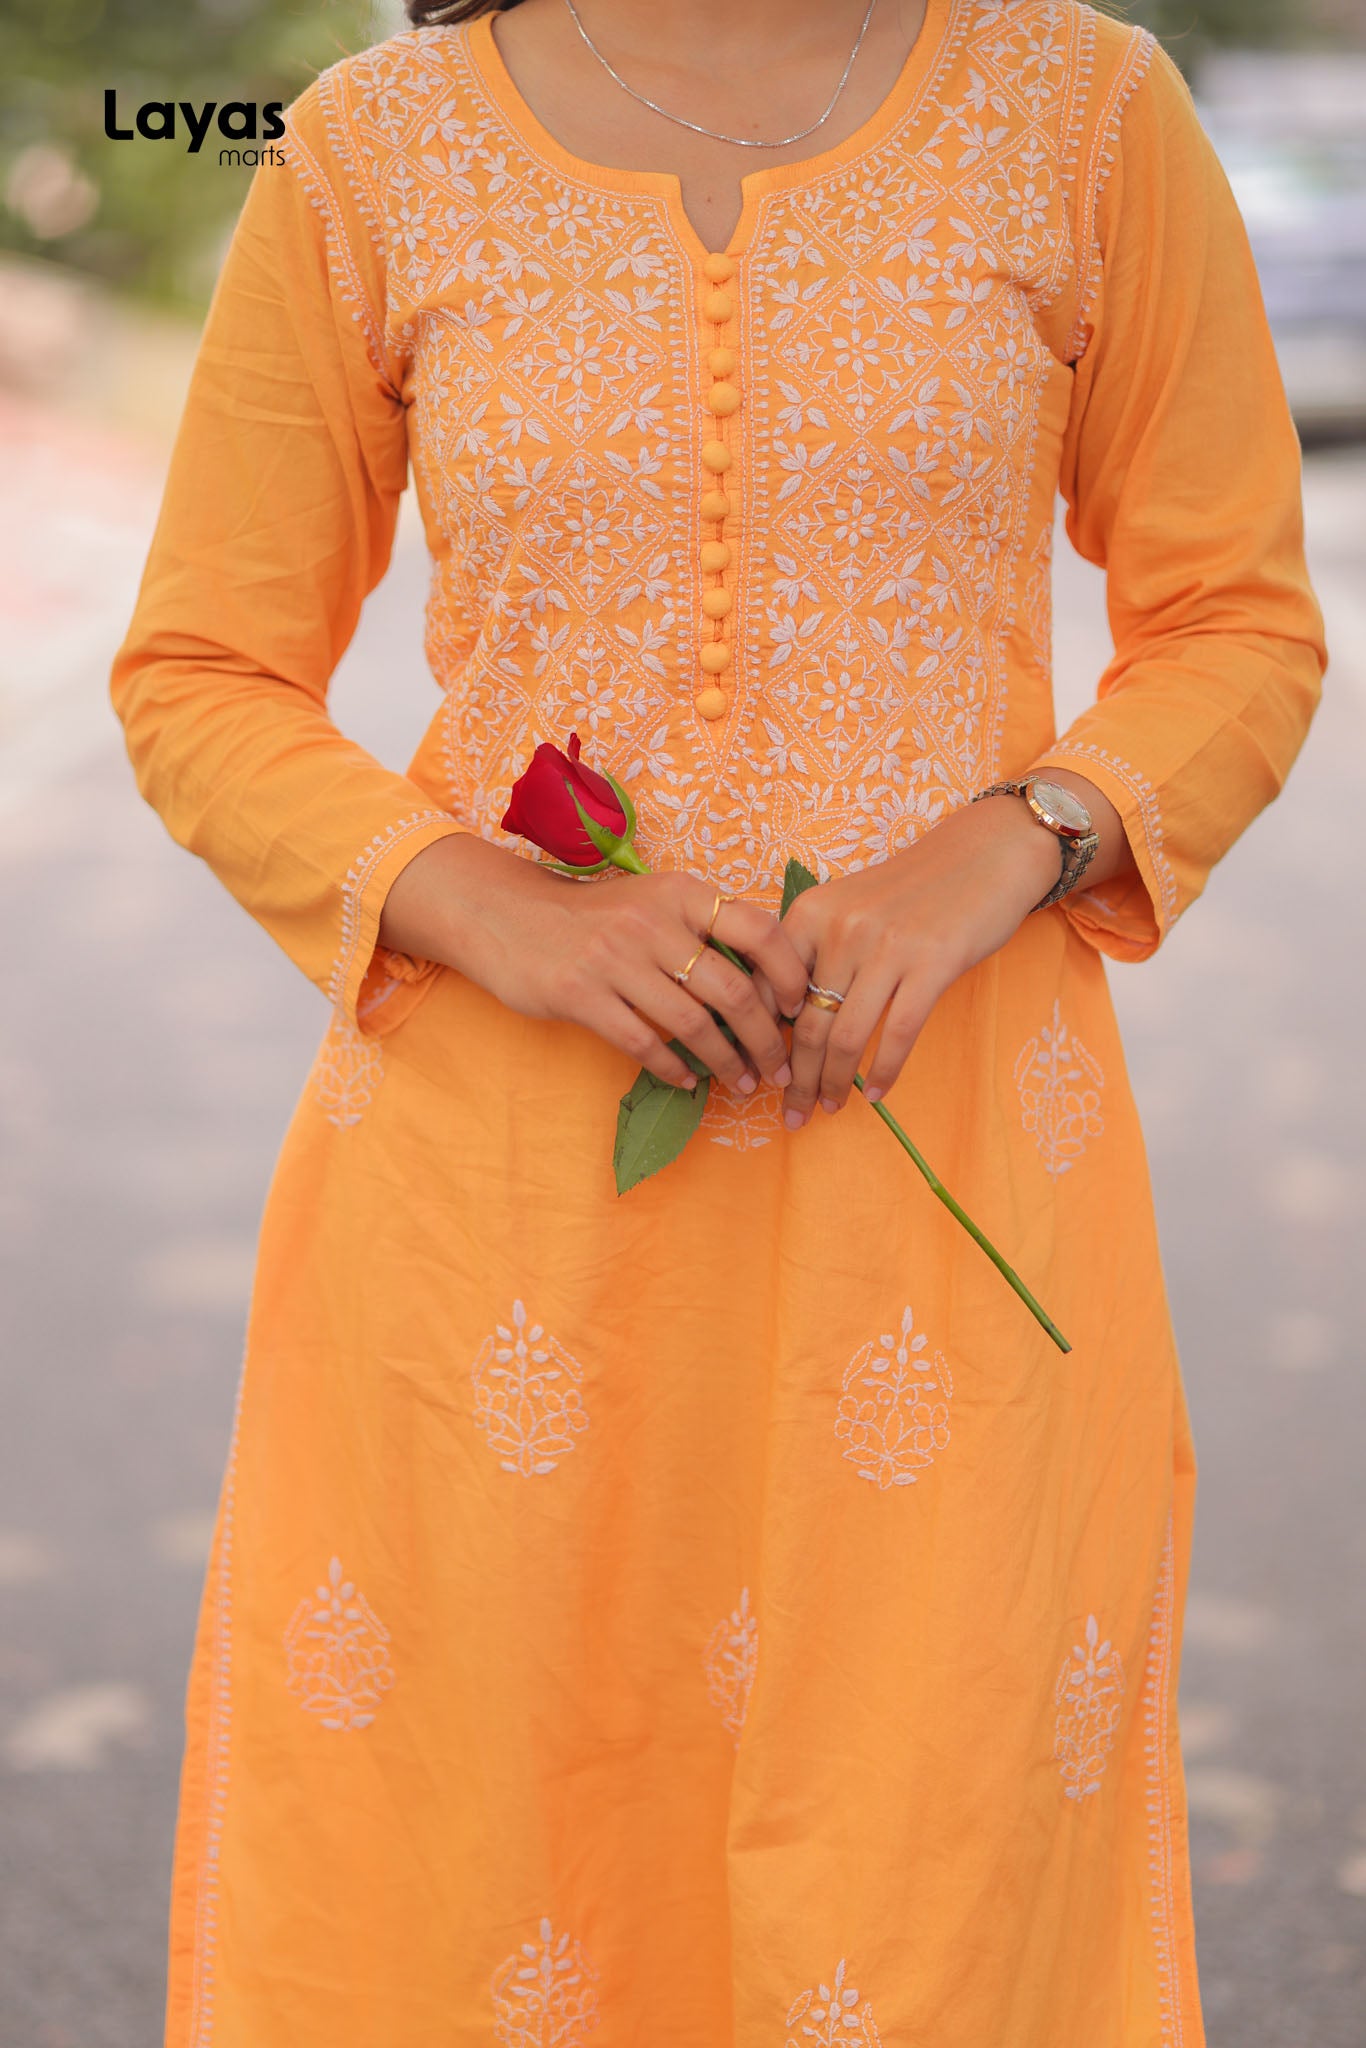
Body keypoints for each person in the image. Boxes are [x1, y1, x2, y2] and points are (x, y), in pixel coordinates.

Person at [109, 0, 1328, 2041]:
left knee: (925, 1866)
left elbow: (1235, 619)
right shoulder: (371, 149)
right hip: (502, 1214)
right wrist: (474, 902)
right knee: (492, 1858)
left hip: (943, 1192)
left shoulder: (1082, 114)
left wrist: (1011, 838)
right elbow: (203, 668)